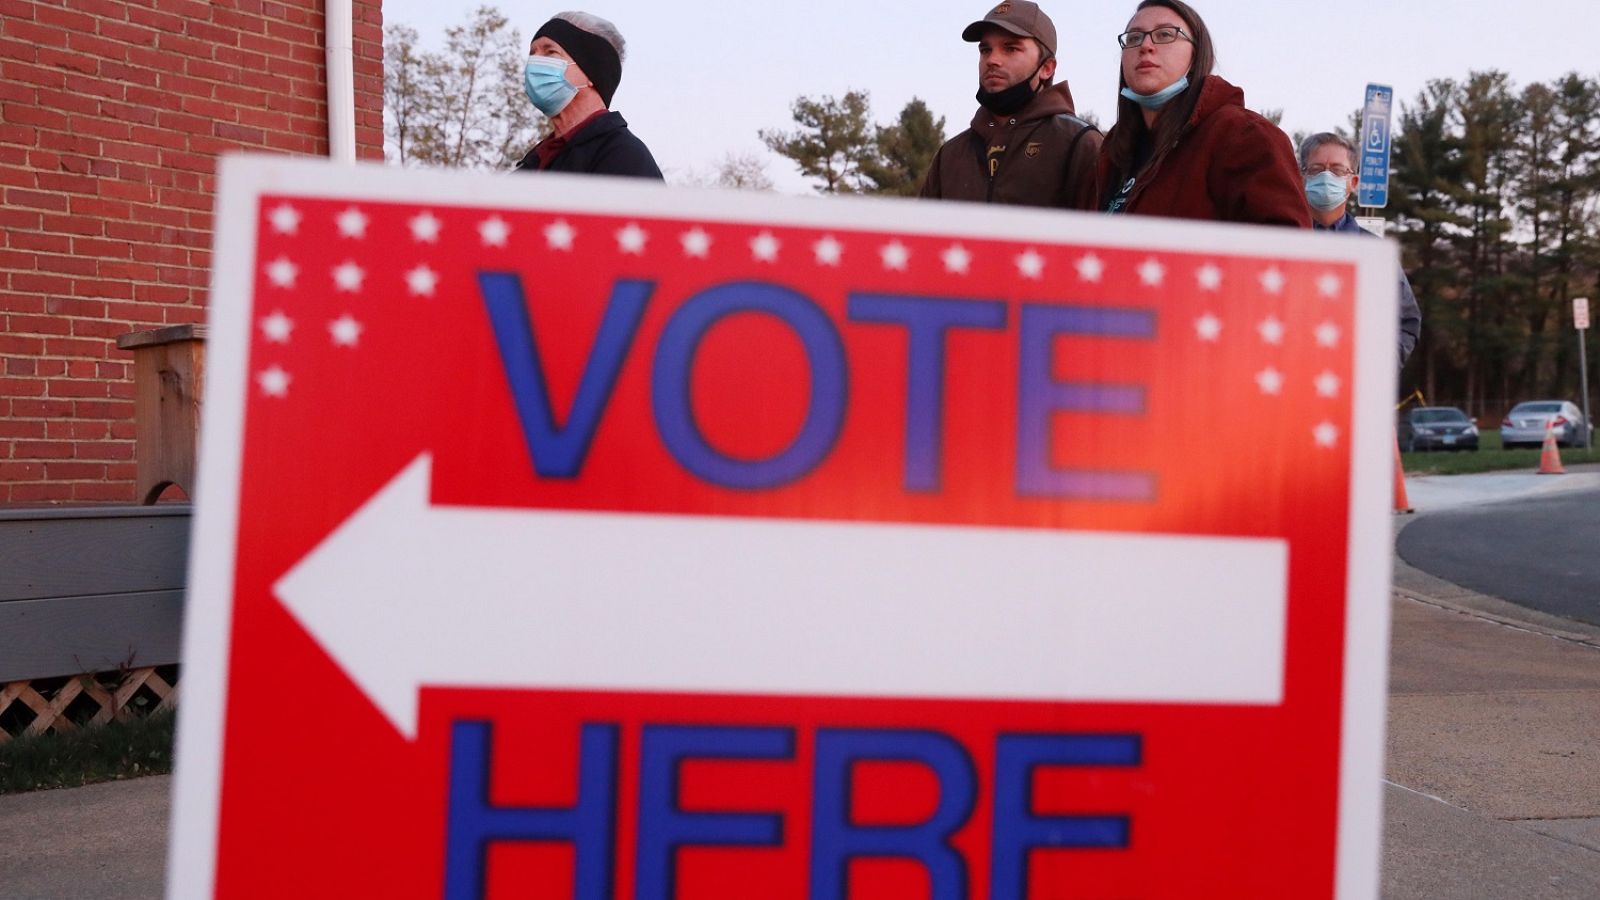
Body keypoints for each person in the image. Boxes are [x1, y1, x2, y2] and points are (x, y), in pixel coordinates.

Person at [1096, 0, 1307, 226]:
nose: (1145, 45)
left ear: (1196, 55)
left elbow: (1286, 242)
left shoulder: (1243, 136)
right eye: (1134, 38)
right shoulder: (1111, 155)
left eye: (1165, 34)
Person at [919, 1, 1101, 209]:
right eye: (985, 50)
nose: (992, 60)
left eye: (1011, 48)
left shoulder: (1079, 143)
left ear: (1047, 68)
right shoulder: (950, 155)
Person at [1301, 132, 1422, 367]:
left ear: (1353, 183)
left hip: (1351, 382)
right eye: (1316, 169)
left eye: (1337, 170)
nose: (1326, 177)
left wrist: (1376, 367)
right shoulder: (1283, 245)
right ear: (1302, 177)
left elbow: (1406, 323)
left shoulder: (1375, 254)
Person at [514, 11, 662, 179]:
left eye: (550, 53)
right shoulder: (535, 161)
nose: (534, 63)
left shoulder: (624, 156)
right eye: (532, 53)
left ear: (593, 71)